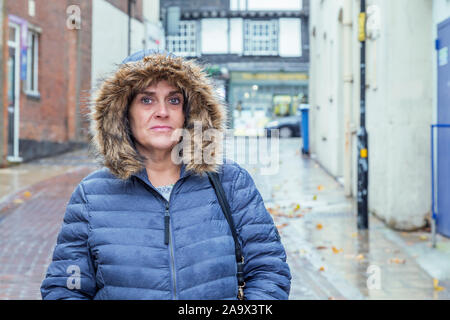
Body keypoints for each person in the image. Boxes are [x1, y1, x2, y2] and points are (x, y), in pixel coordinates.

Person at [40, 50, 291, 300]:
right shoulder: (92, 196)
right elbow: (66, 288)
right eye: (146, 100)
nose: (162, 111)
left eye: (173, 100)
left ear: (189, 113)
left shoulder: (231, 182)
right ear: (123, 112)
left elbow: (269, 270)